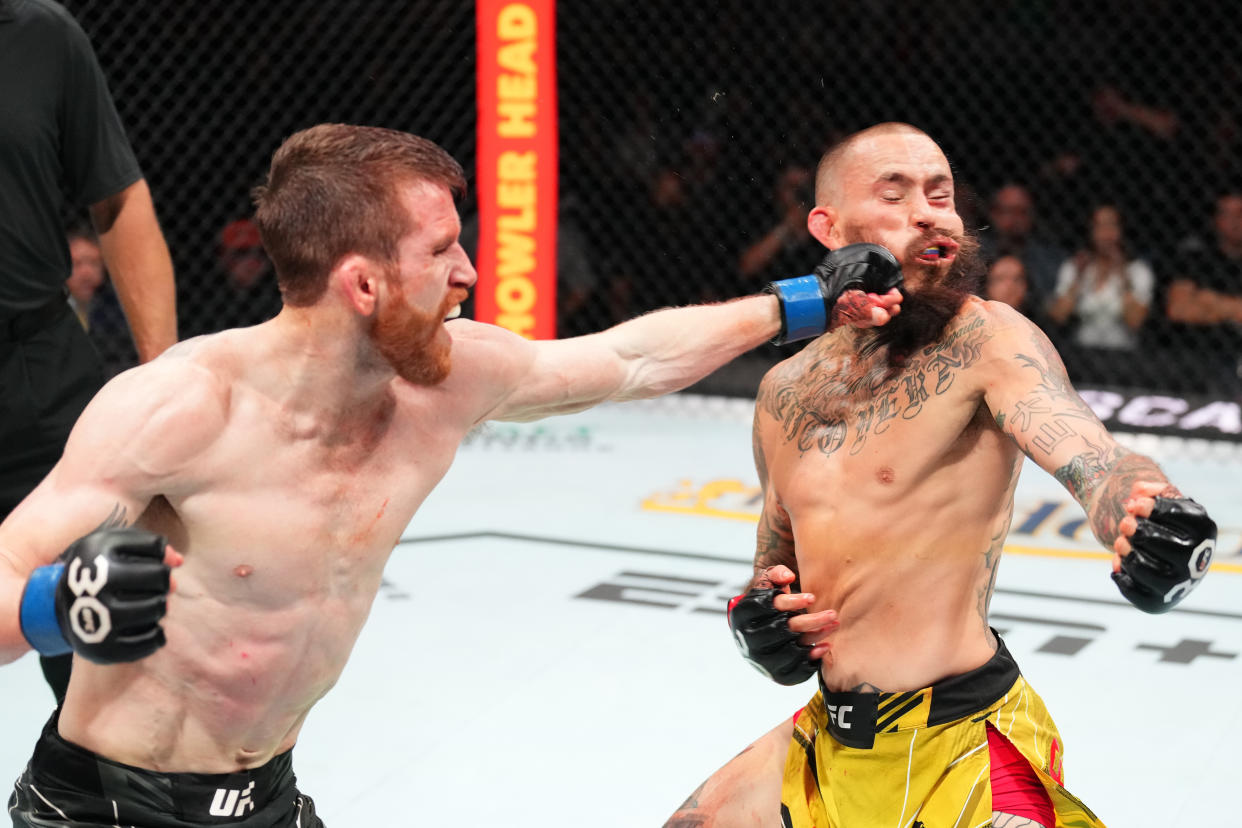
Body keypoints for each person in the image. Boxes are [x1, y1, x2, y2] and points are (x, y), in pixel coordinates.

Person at [0, 123, 904, 827]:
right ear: (362, 284)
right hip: (107, 803)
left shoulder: (447, 375)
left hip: (264, 796)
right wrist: (51, 609)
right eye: (440, 252)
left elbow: (630, 358)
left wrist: (806, 300)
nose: (470, 272)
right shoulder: (181, 407)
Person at [663, 123, 1216, 828]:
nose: (929, 213)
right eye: (895, 197)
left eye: (941, 194)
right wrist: (762, 624)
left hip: (964, 744)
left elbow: (1094, 458)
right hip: (830, 739)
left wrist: (1149, 512)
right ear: (827, 227)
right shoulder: (783, 392)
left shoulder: (988, 339)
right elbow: (777, 569)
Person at [0, 0, 177, 704]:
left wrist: (162, 380)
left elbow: (119, 200)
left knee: (110, 644)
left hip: (38, 377)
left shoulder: (38, 35)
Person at [1046, 204, 1154, 384]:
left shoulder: (1138, 271)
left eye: (1111, 226)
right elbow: (1059, 315)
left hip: (1124, 358)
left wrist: (1123, 277)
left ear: (1122, 231)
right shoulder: (1076, 267)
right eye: (1099, 226)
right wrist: (1078, 279)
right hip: (1080, 355)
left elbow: (1135, 321)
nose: (1106, 234)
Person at [1164, 190, 1242, 397]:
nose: (1235, 221)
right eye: (1228, 214)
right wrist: (1233, 308)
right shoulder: (1197, 258)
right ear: (1216, 220)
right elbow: (1178, 310)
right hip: (1198, 354)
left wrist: (1209, 301)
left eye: (1240, 214)